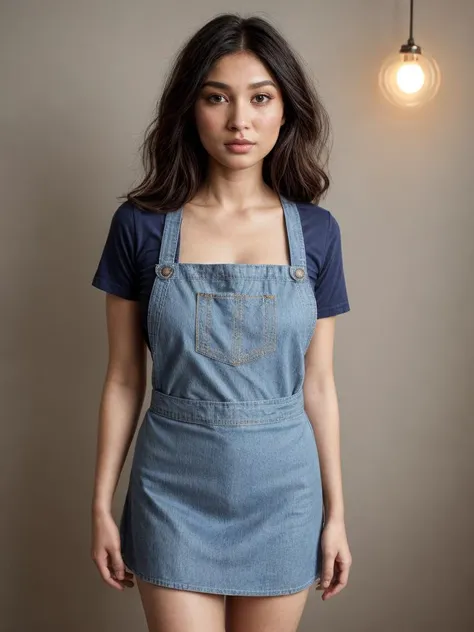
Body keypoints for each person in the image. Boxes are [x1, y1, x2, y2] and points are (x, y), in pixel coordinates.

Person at [90, 12, 352, 632]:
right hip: (172, 491)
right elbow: (125, 379)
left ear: (285, 111)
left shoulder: (317, 233)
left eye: (261, 98)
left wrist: (336, 513)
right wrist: (102, 503)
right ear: (190, 109)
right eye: (217, 98)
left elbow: (318, 385)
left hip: (284, 496)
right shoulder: (141, 226)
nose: (240, 120)